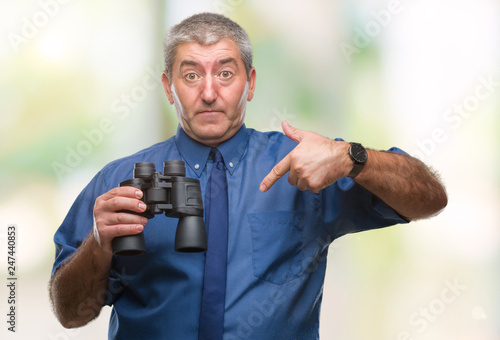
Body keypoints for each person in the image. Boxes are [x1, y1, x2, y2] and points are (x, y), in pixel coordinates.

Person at [49, 12, 447, 340]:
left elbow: (431, 198)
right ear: (169, 87)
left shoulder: (310, 164)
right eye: (191, 76)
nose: (208, 92)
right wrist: (97, 245)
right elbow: (70, 315)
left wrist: (352, 157)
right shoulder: (119, 181)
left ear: (250, 83)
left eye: (225, 74)